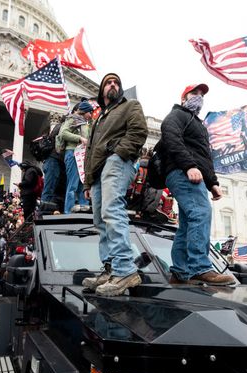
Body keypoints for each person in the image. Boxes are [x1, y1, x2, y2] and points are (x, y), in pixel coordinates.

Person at [158, 84, 235, 285]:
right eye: (194, 93)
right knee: (201, 213)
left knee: (187, 224)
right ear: (184, 98)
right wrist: (189, 165)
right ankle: (200, 267)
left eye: (202, 95)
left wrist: (213, 183)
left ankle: (181, 272)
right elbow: (170, 136)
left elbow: (204, 156)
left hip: (193, 174)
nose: (199, 97)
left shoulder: (198, 124)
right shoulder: (178, 115)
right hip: (182, 173)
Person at [82, 73, 148, 296]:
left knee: (112, 211)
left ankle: (125, 270)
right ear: (102, 91)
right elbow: (89, 152)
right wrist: (87, 183)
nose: (112, 85)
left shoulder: (130, 106)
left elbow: (139, 132)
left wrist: (118, 155)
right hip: (98, 173)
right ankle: (111, 270)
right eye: (108, 82)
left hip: (116, 163)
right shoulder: (99, 118)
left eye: (116, 82)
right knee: (100, 220)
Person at [57, 100, 93, 214]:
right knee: (72, 184)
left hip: (81, 155)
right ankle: (68, 212)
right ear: (85, 111)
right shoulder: (72, 118)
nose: (91, 115)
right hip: (72, 153)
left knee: (82, 184)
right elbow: (63, 133)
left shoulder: (84, 123)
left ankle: (84, 210)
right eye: (90, 112)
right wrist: (80, 138)